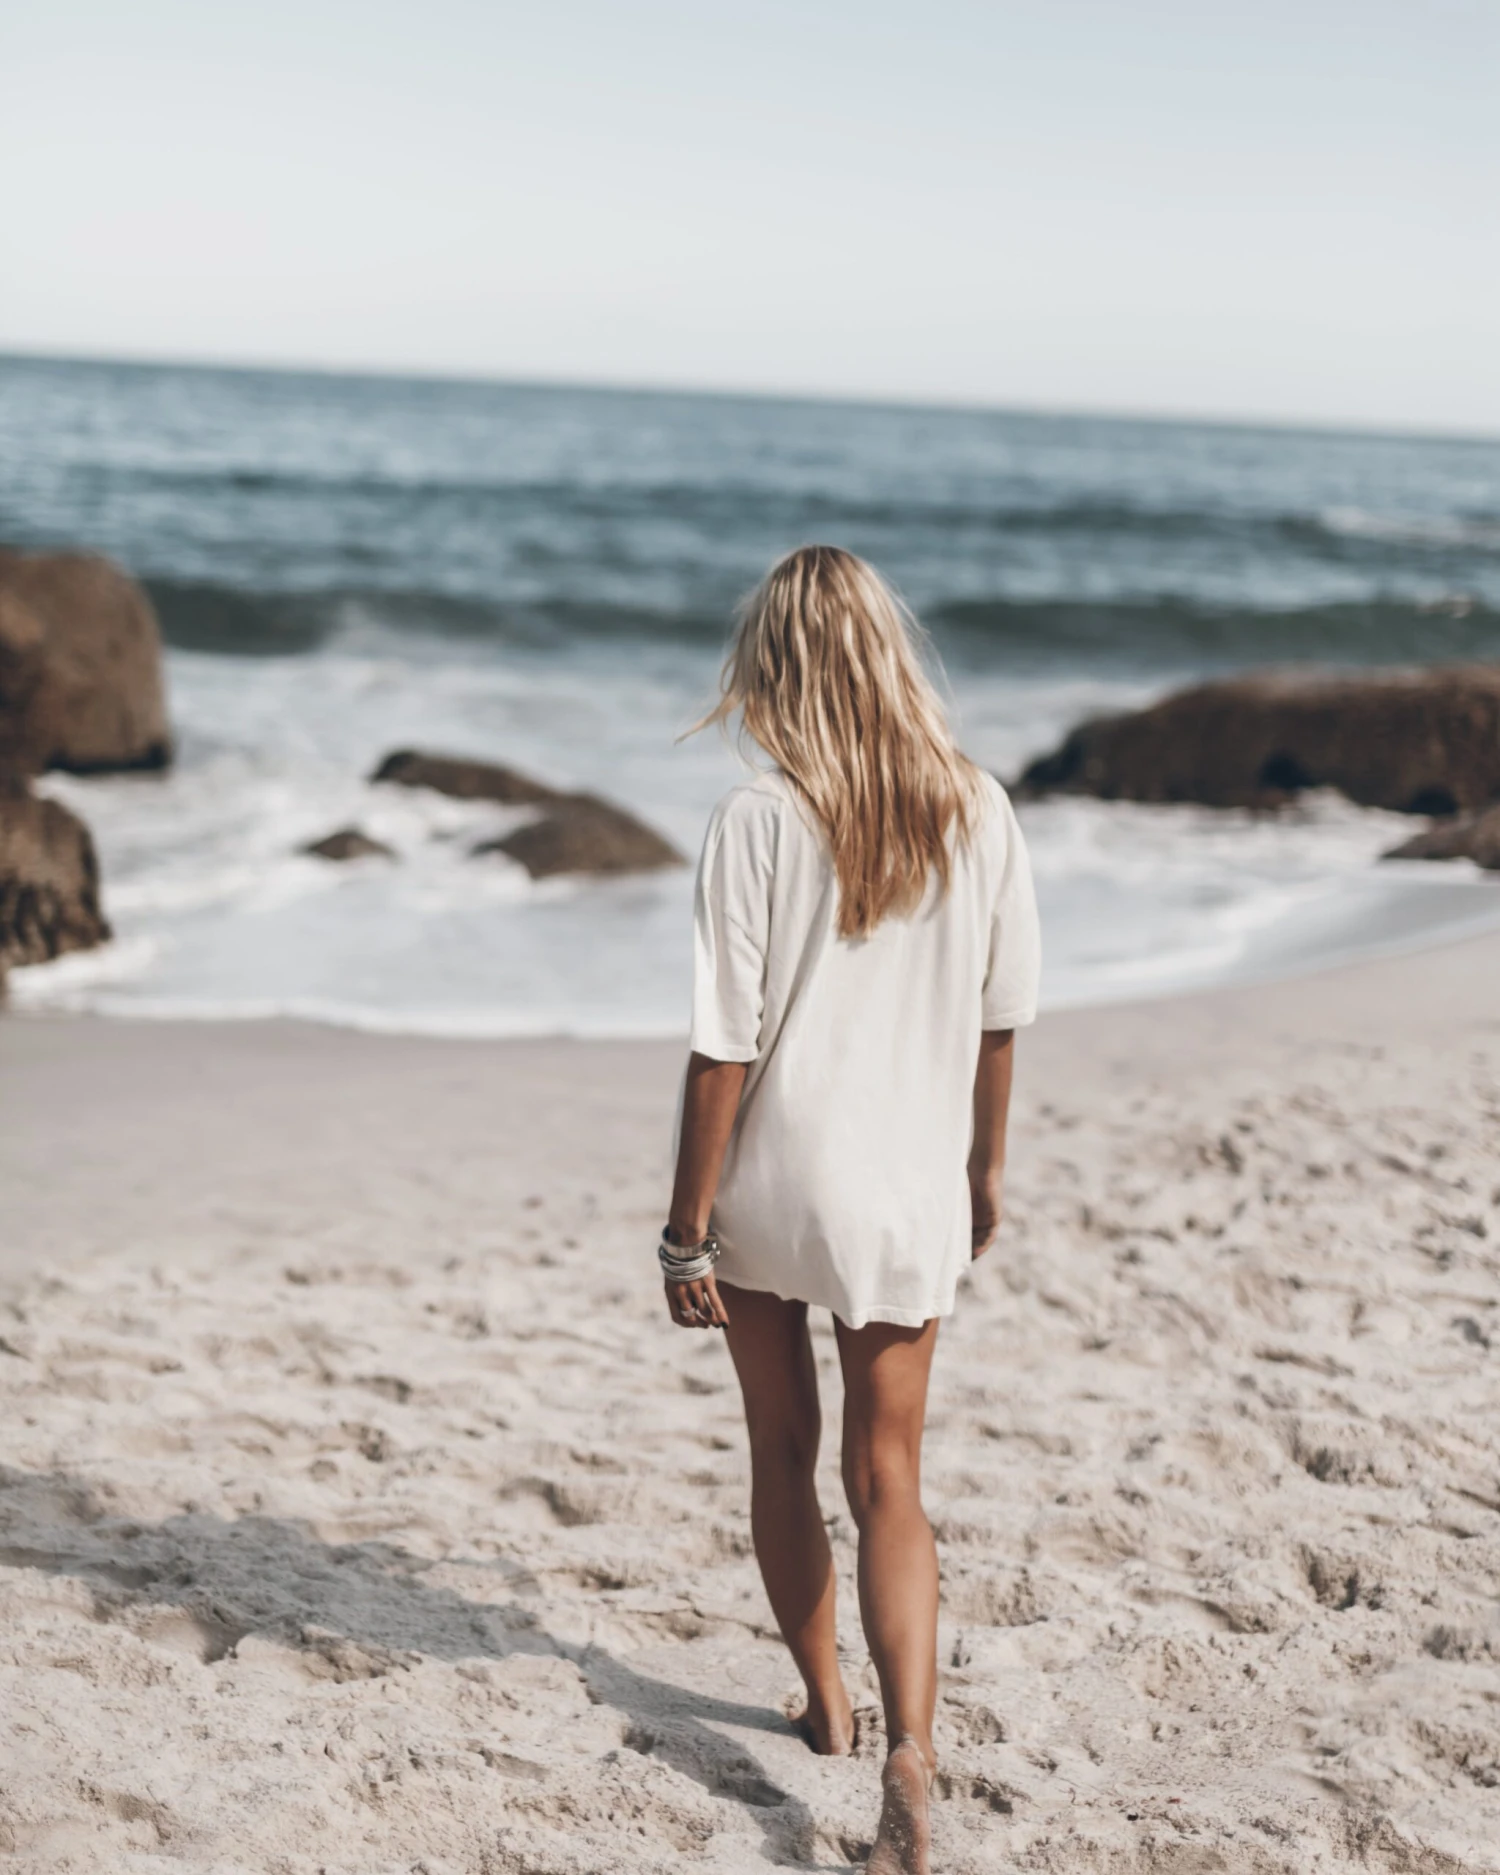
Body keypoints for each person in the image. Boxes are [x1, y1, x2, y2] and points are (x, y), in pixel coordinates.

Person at [659, 545, 1041, 1874]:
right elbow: (1000, 1021)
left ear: (773, 668)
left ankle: (825, 1705)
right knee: (890, 1478)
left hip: (774, 1178)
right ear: (889, 650)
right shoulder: (978, 808)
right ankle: (910, 1753)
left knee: (781, 1448)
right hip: (904, 1187)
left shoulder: (757, 816)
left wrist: (684, 1222)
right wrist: (985, 1171)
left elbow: (724, 1045)